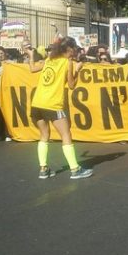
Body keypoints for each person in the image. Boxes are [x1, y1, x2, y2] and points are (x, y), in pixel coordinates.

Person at [27, 37, 92, 180]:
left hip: (37, 103)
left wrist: (31, 56)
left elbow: (32, 69)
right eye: (74, 48)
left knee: (44, 136)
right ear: (68, 49)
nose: (75, 51)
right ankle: (75, 169)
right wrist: (78, 70)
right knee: (65, 135)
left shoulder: (49, 60)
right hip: (53, 104)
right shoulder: (67, 63)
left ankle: (43, 169)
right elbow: (72, 85)